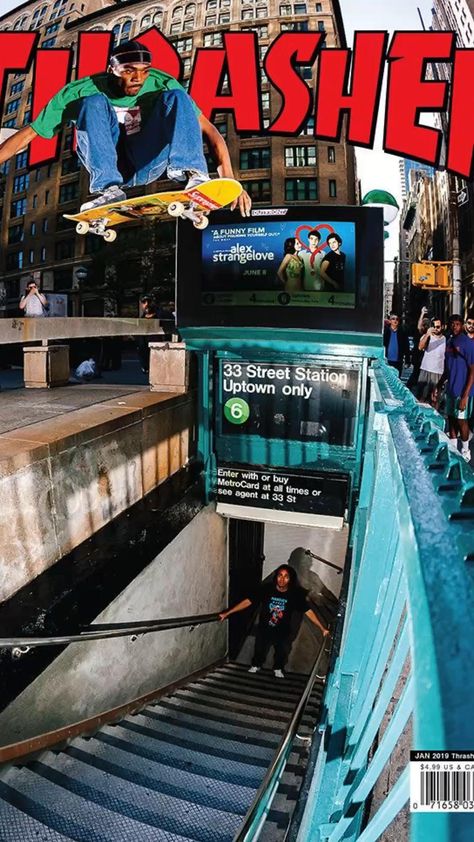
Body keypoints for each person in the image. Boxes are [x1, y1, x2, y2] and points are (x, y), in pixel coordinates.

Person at [0, 40, 251, 217]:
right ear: (112, 69)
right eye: (128, 71)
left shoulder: (161, 83)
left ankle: (194, 175)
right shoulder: (77, 91)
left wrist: (229, 182)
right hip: (110, 164)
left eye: (144, 72)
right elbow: (29, 134)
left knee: (178, 96)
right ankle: (109, 189)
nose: (138, 79)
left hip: (149, 161)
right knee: (93, 103)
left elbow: (211, 133)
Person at [219, 564, 329, 679]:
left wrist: (322, 628)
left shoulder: (294, 594)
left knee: (282, 652)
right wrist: (227, 613)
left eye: (286, 576)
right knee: (259, 649)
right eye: (280, 575)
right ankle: (256, 665)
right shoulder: (267, 589)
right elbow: (248, 601)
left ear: (290, 579)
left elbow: (308, 612)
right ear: (276, 576)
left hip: (282, 630)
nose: (282, 579)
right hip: (264, 628)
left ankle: (278, 668)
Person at [434, 314, 474, 462]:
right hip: (451, 389)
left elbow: (472, 370)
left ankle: (466, 451)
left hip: (463, 391)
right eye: (452, 324)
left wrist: (465, 395)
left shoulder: (467, 343)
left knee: (461, 421)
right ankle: (453, 451)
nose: (454, 327)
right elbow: (447, 369)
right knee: (451, 419)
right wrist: (438, 385)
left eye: (457, 324)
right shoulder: (449, 342)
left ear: (462, 325)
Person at [416, 316, 446, 406]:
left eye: (438, 327)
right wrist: (427, 334)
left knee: (435, 399)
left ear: (443, 327)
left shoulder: (446, 339)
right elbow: (420, 347)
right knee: (421, 397)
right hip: (425, 370)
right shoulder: (427, 336)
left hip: (438, 373)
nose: (435, 329)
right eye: (433, 326)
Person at [406, 307, 431, 390]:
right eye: (424, 324)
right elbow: (419, 326)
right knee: (416, 374)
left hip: (425, 360)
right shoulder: (419, 333)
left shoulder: (430, 335)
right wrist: (422, 313)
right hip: (418, 359)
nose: (425, 326)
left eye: (427, 324)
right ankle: (409, 388)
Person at [383, 313, 411, 377]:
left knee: (397, 380)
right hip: (387, 361)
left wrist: (407, 361)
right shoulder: (385, 332)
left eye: (397, 319)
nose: (395, 321)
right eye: (393, 319)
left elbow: (406, 347)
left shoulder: (402, 333)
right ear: (390, 321)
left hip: (398, 361)